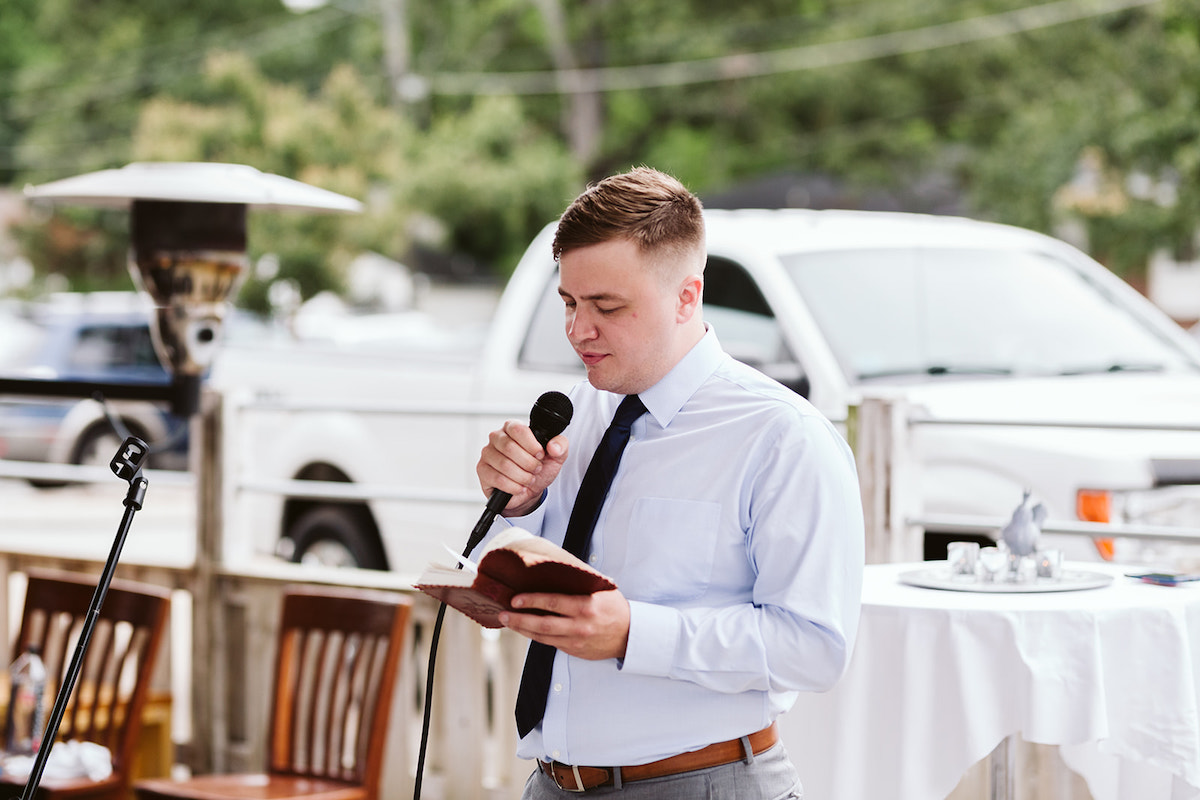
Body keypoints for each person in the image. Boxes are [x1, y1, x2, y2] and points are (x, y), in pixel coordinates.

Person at [474, 166, 864, 798]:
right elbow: (552, 573)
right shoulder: (582, 408)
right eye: (570, 304)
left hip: (704, 784)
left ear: (688, 297)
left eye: (607, 307)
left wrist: (634, 634)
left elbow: (814, 648)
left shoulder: (784, 437)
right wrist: (522, 504)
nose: (578, 331)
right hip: (551, 783)